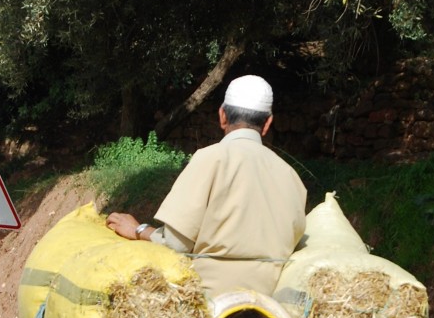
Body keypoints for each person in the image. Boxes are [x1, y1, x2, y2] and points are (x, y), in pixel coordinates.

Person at [106, 74, 307, 298]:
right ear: (268, 123)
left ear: (222, 115)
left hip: (210, 302)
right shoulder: (290, 175)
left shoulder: (209, 159)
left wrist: (140, 230)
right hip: (271, 302)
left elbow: (175, 244)